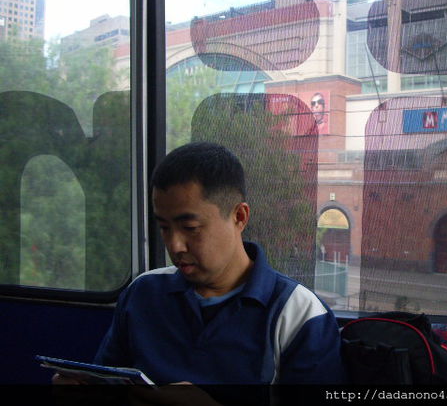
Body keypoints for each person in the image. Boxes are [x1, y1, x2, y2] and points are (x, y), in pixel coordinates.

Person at [54, 141, 346, 404]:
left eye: (190, 228)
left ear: (239, 217)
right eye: (164, 228)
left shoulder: (300, 315)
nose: (175, 245)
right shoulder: (143, 292)